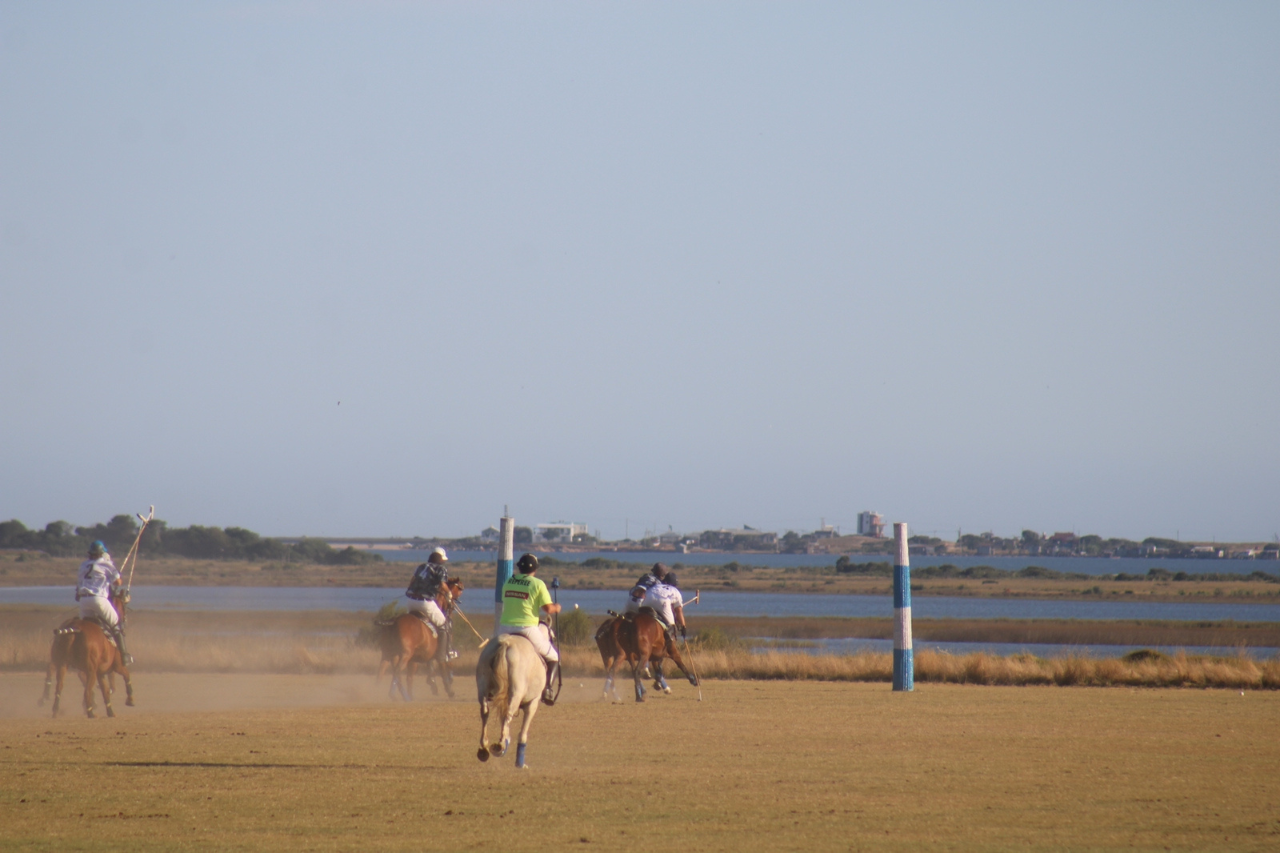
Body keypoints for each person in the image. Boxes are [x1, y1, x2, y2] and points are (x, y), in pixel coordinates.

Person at [496, 553, 561, 705]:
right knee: (554, 657)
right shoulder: (538, 584)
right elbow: (548, 609)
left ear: (519, 568)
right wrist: (557, 607)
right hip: (526, 628)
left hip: (504, 627)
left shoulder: (508, 582)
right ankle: (548, 690)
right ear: (535, 569)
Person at [76, 540, 132, 664]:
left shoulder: (83, 565)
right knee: (116, 624)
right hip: (98, 599)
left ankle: (78, 656)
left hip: (84, 600)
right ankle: (124, 656)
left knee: (87, 627)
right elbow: (118, 583)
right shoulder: (106, 564)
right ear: (102, 553)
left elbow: (79, 585)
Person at [403, 547, 456, 660]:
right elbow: (442, 584)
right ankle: (444, 654)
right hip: (425, 603)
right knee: (444, 625)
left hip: (410, 601)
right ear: (440, 559)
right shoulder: (441, 568)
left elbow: (412, 580)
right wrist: (449, 593)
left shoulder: (421, 567)